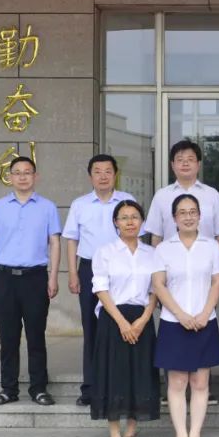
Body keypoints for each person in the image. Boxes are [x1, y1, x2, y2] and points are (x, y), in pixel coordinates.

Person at [152, 194, 219, 437]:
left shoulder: (211, 246)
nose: (188, 216)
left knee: (200, 382)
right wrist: (181, 314)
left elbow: (217, 282)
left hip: (205, 321)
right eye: (182, 212)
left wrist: (205, 313)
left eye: (193, 211)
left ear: (199, 216)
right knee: (177, 382)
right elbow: (159, 285)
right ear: (174, 218)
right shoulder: (163, 249)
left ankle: (195, 436)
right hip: (174, 322)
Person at [0, 156, 61, 408]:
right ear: (10, 177)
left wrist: (53, 276)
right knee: (8, 338)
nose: (23, 177)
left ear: (35, 176)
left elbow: (55, 242)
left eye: (27, 172)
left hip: (36, 277)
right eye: (17, 172)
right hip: (4, 278)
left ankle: (39, 388)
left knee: (36, 336)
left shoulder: (47, 207)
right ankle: (9, 389)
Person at [62, 154, 136, 407]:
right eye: (97, 171)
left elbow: (137, 237)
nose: (103, 176)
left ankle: (121, 387)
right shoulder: (80, 204)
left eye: (108, 171)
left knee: (123, 325)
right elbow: (72, 240)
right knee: (91, 329)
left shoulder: (127, 201)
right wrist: (73, 273)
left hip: (122, 271)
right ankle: (91, 388)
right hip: (89, 270)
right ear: (90, 176)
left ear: (115, 174)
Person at [89, 199, 161, 437]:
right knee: (114, 374)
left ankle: (130, 435)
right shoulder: (105, 252)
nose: (130, 222)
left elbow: (156, 289)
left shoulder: (152, 253)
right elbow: (100, 288)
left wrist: (143, 319)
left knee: (139, 374)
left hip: (142, 318)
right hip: (113, 318)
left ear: (142, 222)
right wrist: (122, 322)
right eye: (124, 217)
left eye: (135, 217)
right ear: (115, 223)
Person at [144, 139, 219, 255]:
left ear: (198, 164)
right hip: (170, 261)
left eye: (190, 159)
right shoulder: (161, 196)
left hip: (206, 261)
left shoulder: (212, 195)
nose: (185, 163)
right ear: (172, 165)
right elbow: (156, 236)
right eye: (180, 160)